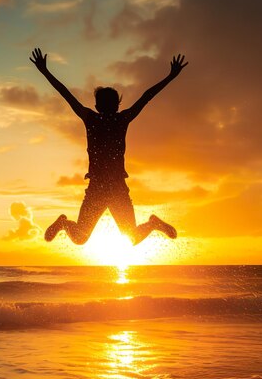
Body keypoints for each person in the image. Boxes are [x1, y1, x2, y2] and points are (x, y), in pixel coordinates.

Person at [30, 47, 188, 245]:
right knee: (87, 238)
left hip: (116, 188)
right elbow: (146, 96)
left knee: (122, 237)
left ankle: (154, 224)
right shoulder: (112, 118)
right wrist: (170, 76)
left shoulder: (101, 118)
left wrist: (45, 71)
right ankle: (63, 223)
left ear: (102, 106)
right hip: (97, 188)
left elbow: (67, 94)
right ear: (115, 105)